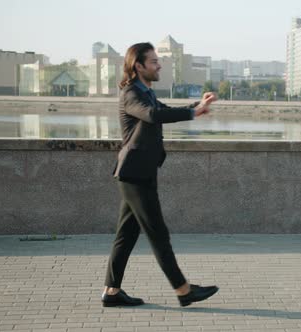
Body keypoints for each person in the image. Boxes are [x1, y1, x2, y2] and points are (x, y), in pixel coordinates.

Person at [102, 42, 219, 307]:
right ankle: (183, 290)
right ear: (138, 66)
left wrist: (197, 105)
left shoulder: (145, 92)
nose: (159, 65)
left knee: (126, 235)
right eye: (154, 61)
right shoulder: (132, 93)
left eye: (158, 61)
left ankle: (111, 292)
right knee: (158, 233)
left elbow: (162, 110)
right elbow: (153, 115)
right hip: (135, 175)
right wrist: (193, 111)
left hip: (139, 172)